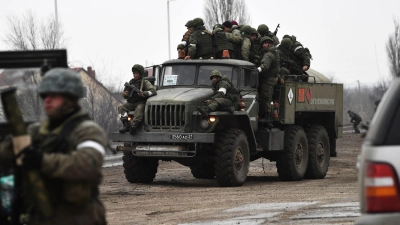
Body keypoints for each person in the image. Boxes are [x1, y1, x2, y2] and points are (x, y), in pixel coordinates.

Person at [0, 68, 108, 224]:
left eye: (54, 96)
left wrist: (42, 161)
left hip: (78, 218)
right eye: (45, 96)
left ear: (70, 98)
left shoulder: (88, 131)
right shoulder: (35, 132)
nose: (47, 100)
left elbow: (88, 163)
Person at [118, 64, 157, 134]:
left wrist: (143, 93)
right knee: (121, 107)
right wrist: (125, 94)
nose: (135, 75)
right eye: (134, 73)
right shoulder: (131, 82)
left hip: (140, 102)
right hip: (131, 103)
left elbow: (153, 91)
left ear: (140, 74)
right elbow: (124, 93)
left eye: (137, 73)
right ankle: (125, 124)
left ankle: (134, 125)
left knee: (139, 109)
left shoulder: (145, 82)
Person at [257, 36, 281, 124]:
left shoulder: (269, 54)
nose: (263, 45)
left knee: (265, 96)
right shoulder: (275, 52)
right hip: (273, 78)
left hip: (268, 79)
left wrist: (258, 69)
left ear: (269, 44)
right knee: (268, 96)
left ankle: (267, 117)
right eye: (263, 44)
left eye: (265, 43)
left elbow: (265, 65)